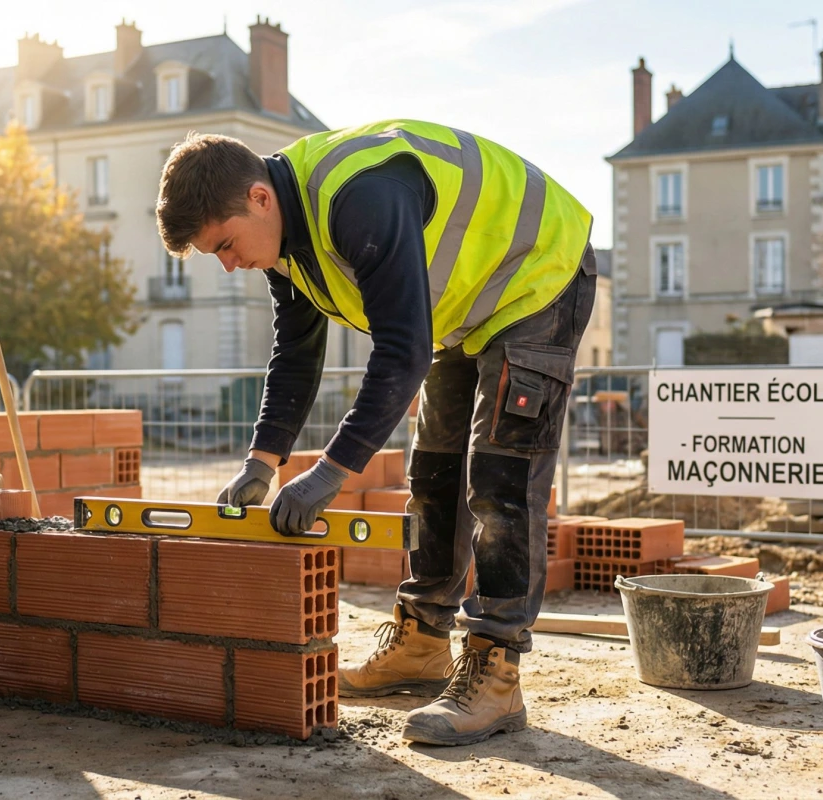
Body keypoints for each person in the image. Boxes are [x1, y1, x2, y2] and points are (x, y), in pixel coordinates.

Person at [155, 120, 596, 746]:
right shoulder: (286, 238)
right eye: (215, 256)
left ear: (258, 197)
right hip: (466, 312)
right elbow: (297, 353)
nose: (229, 266)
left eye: (225, 245)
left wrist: (331, 472)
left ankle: (497, 673)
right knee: (435, 470)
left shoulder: (358, 195)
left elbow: (401, 351)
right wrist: (262, 461)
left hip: (538, 276)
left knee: (502, 476)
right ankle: (420, 643)